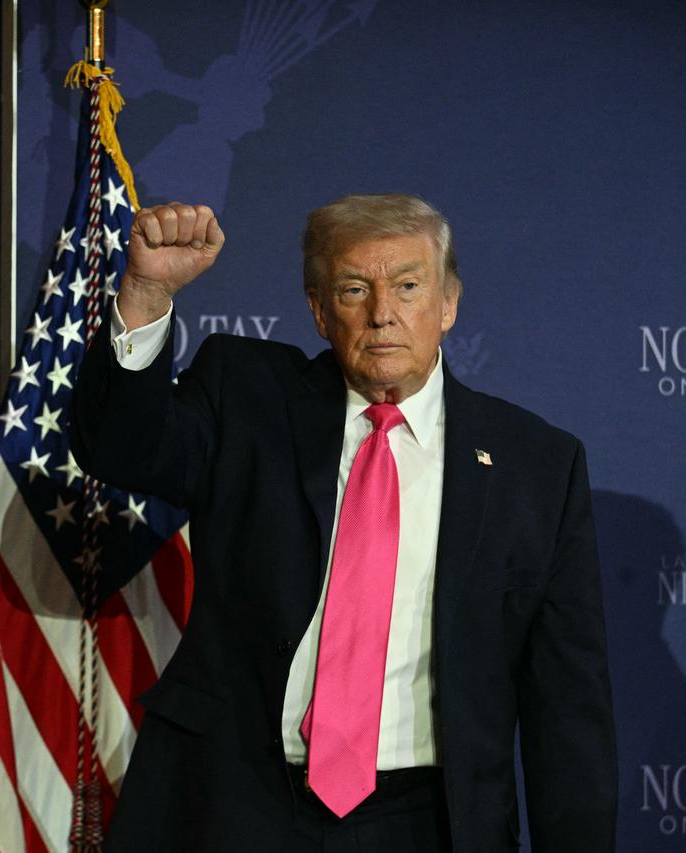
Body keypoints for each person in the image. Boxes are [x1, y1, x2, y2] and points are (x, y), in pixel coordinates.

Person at [70, 194, 617, 852]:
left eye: (409, 285)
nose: (383, 313)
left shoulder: (537, 466)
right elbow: (120, 447)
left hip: (424, 824)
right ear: (320, 310)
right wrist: (148, 293)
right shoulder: (247, 396)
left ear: (448, 303)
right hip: (234, 803)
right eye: (355, 288)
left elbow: (567, 709)